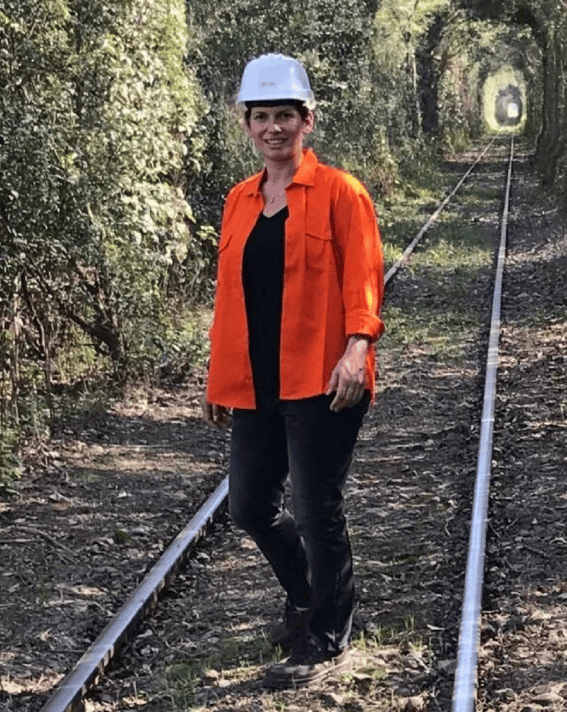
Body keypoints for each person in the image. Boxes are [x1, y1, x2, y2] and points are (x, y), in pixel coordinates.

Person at [203, 53, 385, 688]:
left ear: (307, 120)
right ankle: (310, 591)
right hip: (255, 380)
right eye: (261, 116)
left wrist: (357, 350)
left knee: (316, 507)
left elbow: (364, 280)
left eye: (285, 115)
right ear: (246, 124)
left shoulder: (342, 192)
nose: (273, 127)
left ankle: (327, 635)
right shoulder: (238, 201)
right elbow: (231, 297)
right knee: (250, 507)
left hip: (324, 377)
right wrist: (218, 376)